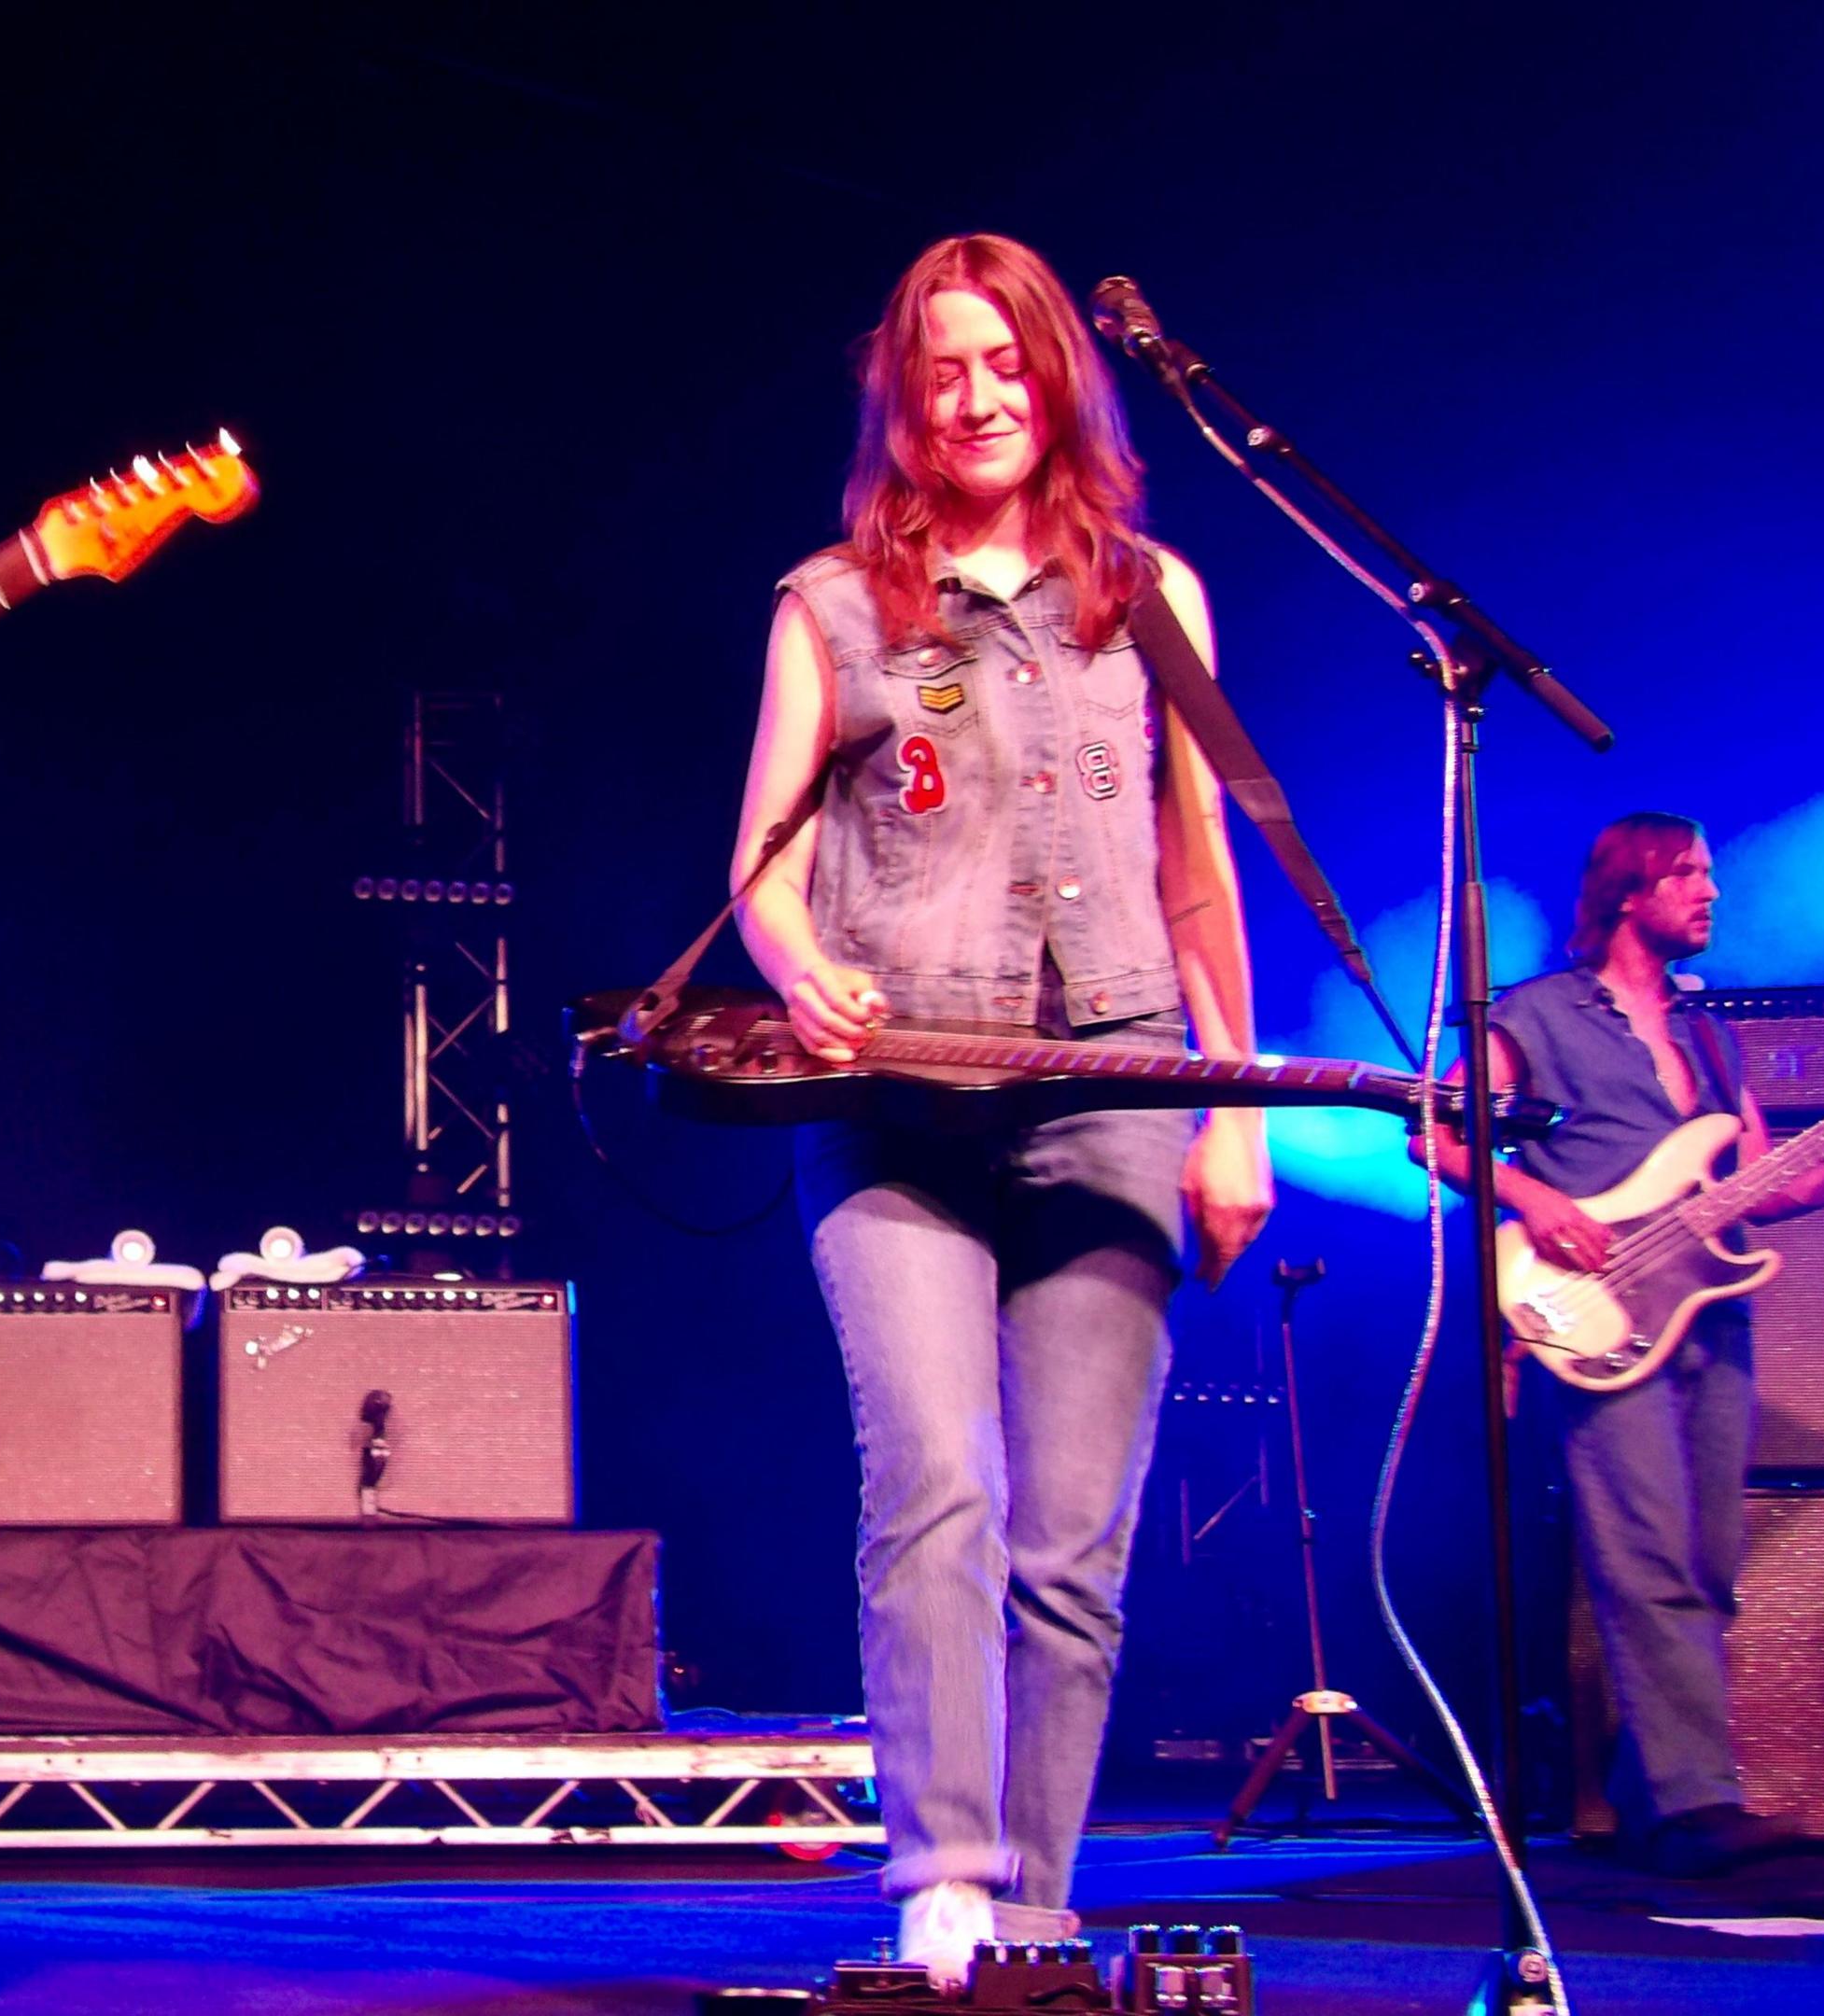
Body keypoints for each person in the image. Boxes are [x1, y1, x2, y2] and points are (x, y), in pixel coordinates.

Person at [728, 233, 1271, 1981]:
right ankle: (943, 1881)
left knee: (1074, 1541)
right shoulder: (832, 602)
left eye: (1005, 363)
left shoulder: (1153, 596)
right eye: (942, 368)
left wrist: (1235, 1108)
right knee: (937, 1486)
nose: (976, 398)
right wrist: (800, 962)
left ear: (1058, 378)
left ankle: (1038, 1910)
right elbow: (762, 866)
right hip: (897, 1107)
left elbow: (1199, 876)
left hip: (1115, 1091)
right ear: (904, 392)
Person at [1422, 813, 1824, 1877]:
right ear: (1629, 890)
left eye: (1710, 875)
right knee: (1647, 1552)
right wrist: (1532, 1197)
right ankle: (1697, 1801)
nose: (1711, 892)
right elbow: (1434, 1127)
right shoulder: (1534, 1013)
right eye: (1690, 874)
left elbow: (1773, 1183)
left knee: (1704, 1560)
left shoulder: (1710, 1036)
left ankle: (1649, 1797)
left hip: (1709, 1315)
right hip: (1592, 1303)